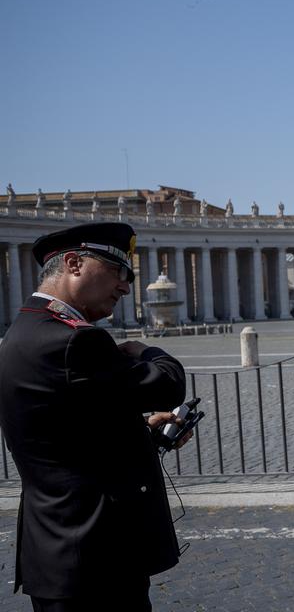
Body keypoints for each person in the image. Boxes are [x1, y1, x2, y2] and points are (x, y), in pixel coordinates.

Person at [0, 222, 188, 611]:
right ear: (73, 264)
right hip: (97, 558)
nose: (125, 287)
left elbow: (70, 434)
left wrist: (144, 431)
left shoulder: (23, 329)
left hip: (60, 553)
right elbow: (167, 386)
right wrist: (147, 351)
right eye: (118, 273)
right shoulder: (75, 339)